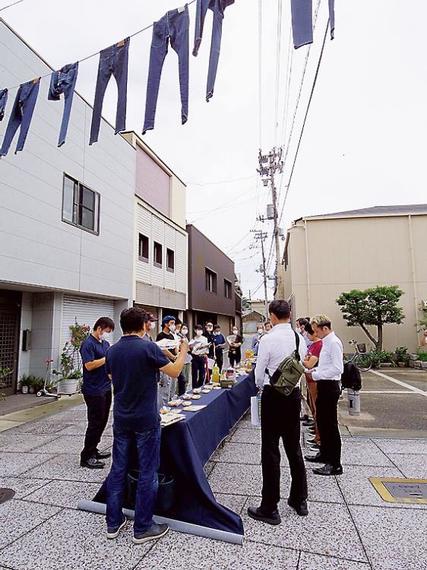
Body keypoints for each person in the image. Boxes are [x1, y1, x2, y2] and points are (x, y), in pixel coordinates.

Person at [105, 307, 188, 544]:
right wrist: (182, 351)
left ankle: (113, 522)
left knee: (118, 469)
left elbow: (111, 377)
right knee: (148, 472)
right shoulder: (147, 347)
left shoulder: (112, 351)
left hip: (121, 418)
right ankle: (142, 527)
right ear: (143, 326)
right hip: (146, 419)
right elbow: (174, 371)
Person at [248, 300, 308, 524]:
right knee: (293, 447)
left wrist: (263, 384)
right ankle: (299, 499)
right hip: (292, 395)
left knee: (271, 450)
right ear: (290, 314)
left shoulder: (267, 339)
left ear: (272, 315)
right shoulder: (298, 338)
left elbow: (258, 371)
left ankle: (270, 506)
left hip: (273, 396)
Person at [305, 315, 344, 476]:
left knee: (330, 425)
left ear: (325, 328)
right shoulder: (326, 343)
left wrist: (316, 375)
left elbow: (337, 368)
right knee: (321, 420)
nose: (315, 334)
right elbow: (326, 366)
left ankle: (335, 464)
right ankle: (324, 454)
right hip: (324, 384)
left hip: (330, 386)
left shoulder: (333, 343)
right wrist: (316, 371)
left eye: (316, 331)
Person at [79, 317, 115, 469]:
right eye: (107, 331)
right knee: (94, 422)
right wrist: (106, 358)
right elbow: (89, 365)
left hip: (106, 387)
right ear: (100, 328)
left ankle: (94, 449)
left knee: (103, 420)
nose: (107, 334)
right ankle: (86, 456)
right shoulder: (87, 344)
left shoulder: (105, 344)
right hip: (93, 389)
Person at [303, 322, 323, 450]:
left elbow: (310, 363)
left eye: (307, 332)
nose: (306, 335)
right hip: (310, 380)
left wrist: (303, 361)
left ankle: (319, 438)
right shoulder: (313, 345)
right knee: (314, 409)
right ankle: (316, 434)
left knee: (318, 410)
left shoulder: (319, 345)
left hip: (315, 380)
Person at [156, 315, 178, 403]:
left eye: (174, 323)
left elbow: (175, 348)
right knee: (165, 387)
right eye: (171, 323)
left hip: (173, 364)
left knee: (172, 387)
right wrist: (172, 357)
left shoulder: (172, 336)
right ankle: (164, 406)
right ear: (166, 324)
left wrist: (177, 354)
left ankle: (171, 401)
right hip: (165, 365)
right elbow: (163, 349)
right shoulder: (161, 335)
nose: (173, 325)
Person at [179, 324, 192, 391]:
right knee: (182, 378)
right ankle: (179, 392)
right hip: (182, 360)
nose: (185, 330)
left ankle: (185, 391)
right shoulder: (179, 337)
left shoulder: (186, 337)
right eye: (183, 328)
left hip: (188, 359)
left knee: (187, 378)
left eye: (186, 328)